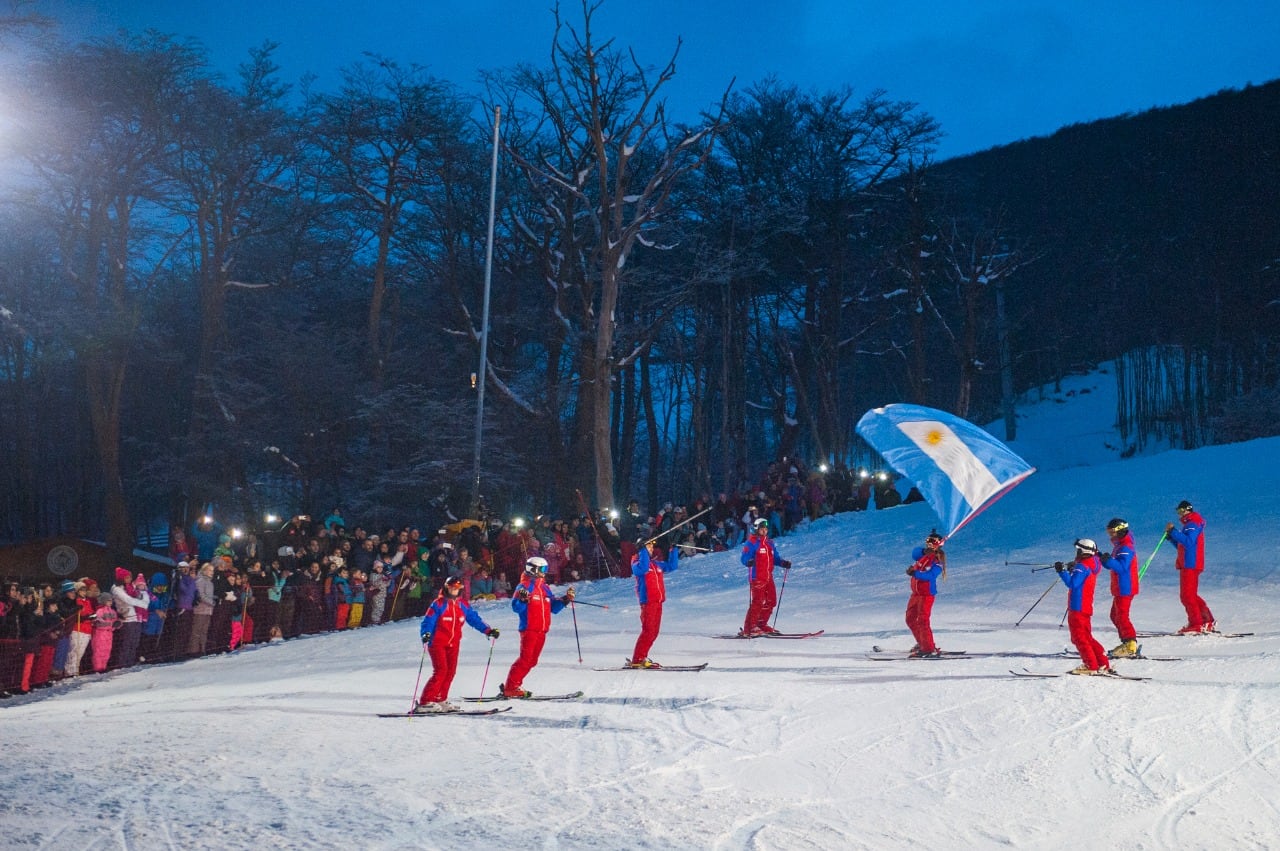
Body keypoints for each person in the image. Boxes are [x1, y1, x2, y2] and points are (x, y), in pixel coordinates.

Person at [414, 576, 499, 713]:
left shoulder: (463, 604)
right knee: (441, 671)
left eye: (457, 589)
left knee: (450, 672)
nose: (455, 591)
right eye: (452, 588)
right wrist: (426, 634)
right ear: (447, 588)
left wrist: (488, 630)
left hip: (453, 644)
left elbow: (473, 619)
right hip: (437, 643)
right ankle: (425, 702)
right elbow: (428, 621)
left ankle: (440, 699)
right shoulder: (438, 604)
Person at [500, 557, 574, 698]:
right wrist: (523, 600)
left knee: (532, 661)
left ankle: (514, 686)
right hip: (529, 629)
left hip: (542, 629)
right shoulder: (524, 586)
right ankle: (510, 687)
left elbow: (553, 608)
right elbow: (516, 608)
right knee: (525, 659)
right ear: (534, 570)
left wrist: (565, 600)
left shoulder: (544, 587)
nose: (545, 572)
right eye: (543, 569)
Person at [1055, 539, 1112, 675]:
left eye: (1078, 550)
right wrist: (1072, 568)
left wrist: (1062, 571)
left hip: (1077, 606)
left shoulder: (1082, 567)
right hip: (1085, 606)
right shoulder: (1092, 563)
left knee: (1079, 638)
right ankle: (1102, 662)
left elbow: (1073, 584)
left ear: (1083, 551)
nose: (1076, 552)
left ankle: (1090, 665)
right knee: (1086, 637)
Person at [1166, 499, 1215, 634]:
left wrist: (1174, 532)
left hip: (1190, 564)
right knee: (1191, 595)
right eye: (1178, 511)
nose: (1180, 514)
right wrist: (1172, 538)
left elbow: (1188, 541)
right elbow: (1183, 546)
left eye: (1182, 511)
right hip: (1188, 563)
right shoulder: (1189, 524)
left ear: (1188, 510)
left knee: (1186, 596)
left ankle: (1196, 623)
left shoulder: (1192, 523)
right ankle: (1206, 620)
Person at [629, 539, 679, 668]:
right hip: (648, 601)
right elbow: (643, 569)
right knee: (648, 631)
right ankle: (637, 659)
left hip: (658, 601)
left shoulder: (656, 564)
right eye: (648, 547)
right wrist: (642, 550)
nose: (651, 549)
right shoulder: (636, 563)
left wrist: (673, 550)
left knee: (654, 632)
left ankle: (642, 656)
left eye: (651, 547)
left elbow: (672, 566)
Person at [739, 518, 790, 636]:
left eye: (766, 529)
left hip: (768, 576)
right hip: (757, 577)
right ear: (756, 529)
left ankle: (761, 624)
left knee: (771, 601)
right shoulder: (751, 543)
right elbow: (744, 557)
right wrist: (749, 561)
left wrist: (783, 563)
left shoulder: (769, 543)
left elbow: (775, 558)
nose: (764, 531)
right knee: (758, 601)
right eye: (762, 529)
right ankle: (750, 627)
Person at [1099, 518, 1140, 657]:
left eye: (1112, 532)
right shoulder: (1119, 545)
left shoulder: (1126, 547)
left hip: (1125, 587)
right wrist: (1101, 557)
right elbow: (1112, 564)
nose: (1110, 535)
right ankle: (1126, 642)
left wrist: (1108, 560)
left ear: (1120, 531)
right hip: (1119, 586)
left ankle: (1130, 645)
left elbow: (1122, 567)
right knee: (1115, 615)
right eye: (1109, 532)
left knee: (1121, 616)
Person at [904, 530, 946, 658]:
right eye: (927, 541)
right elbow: (914, 553)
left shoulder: (938, 560)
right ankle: (922, 642)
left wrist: (915, 574)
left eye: (932, 541)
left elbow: (930, 575)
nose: (929, 544)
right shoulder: (923, 554)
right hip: (916, 594)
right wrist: (923, 552)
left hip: (926, 594)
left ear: (938, 544)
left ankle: (928, 648)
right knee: (910, 619)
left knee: (922, 620)